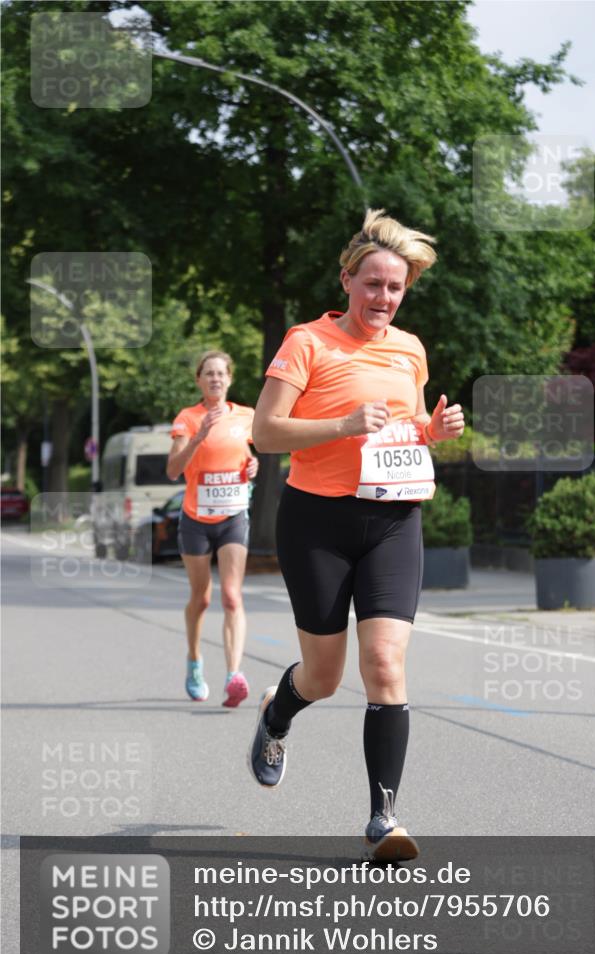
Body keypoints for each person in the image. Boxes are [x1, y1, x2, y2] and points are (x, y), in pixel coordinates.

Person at [249, 209, 465, 861]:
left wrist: (432, 431)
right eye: (372, 284)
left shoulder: (410, 349)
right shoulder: (306, 343)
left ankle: (383, 819)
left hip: (392, 521)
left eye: (395, 287)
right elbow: (264, 433)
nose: (383, 297)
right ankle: (277, 714)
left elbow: (405, 428)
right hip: (316, 522)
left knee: (385, 663)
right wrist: (342, 424)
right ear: (346, 281)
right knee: (322, 676)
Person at [167, 350, 258, 708]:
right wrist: (199, 436)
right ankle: (194, 660)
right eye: (208, 373)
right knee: (202, 598)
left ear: (230, 379)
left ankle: (234, 675)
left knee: (232, 596)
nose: (215, 378)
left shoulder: (246, 416)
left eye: (221, 373)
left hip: (233, 516)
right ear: (199, 380)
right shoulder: (188, 418)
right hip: (196, 521)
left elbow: (250, 455)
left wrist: (253, 466)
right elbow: (173, 470)